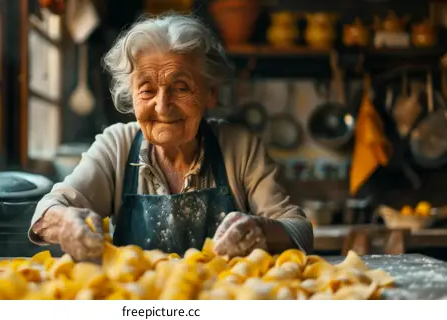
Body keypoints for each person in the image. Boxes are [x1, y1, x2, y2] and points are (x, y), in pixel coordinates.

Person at [29, 14, 313, 261]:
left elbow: (298, 228)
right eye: (147, 90)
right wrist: (66, 222)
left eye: (180, 88)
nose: (162, 107)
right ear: (133, 96)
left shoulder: (238, 146)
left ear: (210, 92)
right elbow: (48, 210)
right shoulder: (117, 146)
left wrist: (260, 230)